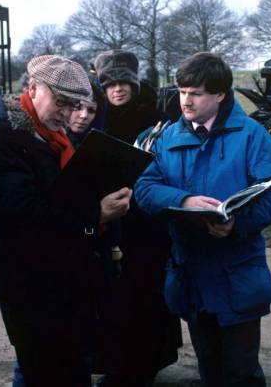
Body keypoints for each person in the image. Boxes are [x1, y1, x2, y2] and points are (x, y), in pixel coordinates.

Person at [0, 55, 132, 387]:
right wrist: (96, 214)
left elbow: (63, 198)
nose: (69, 113)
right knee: (44, 370)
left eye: (74, 105)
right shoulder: (2, 140)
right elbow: (23, 217)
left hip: (66, 280)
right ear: (32, 88)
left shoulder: (48, 132)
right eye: (61, 102)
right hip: (33, 287)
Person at [135, 52, 271, 387]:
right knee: (209, 369)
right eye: (182, 92)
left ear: (220, 94)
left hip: (237, 272)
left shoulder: (251, 135)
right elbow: (144, 188)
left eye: (196, 93)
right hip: (190, 273)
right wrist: (183, 200)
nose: (185, 101)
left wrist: (238, 224)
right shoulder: (167, 137)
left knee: (241, 373)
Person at [92, 49, 182, 386]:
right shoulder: (94, 115)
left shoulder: (154, 117)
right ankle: (117, 365)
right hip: (107, 217)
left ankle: (147, 361)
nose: (117, 89)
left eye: (124, 83)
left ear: (135, 83)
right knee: (112, 295)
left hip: (145, 219)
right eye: (110, 84)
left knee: (146, 289)